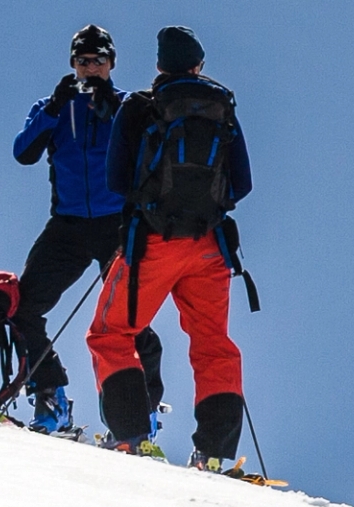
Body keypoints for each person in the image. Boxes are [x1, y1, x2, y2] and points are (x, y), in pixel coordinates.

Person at [88, 25, 252, 471]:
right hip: (210, 245)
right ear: (199, 64)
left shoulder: (140, 106)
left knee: (112, 332)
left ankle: (129, 436)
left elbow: (116, 179)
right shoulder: (223, 106)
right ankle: (215, 453)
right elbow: (243, 183)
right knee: (213, 343)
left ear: (159, 65)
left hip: (152, 242)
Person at [8, 24, 137, 435]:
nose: (91, 68)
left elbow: (148, 150)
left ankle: (137, 418)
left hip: (116, 223)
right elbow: (23, 153)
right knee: (23, 308)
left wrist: (113, 107)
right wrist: (54, 108)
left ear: (112, 63)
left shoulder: (128, 105)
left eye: (99, 61)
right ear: (73, 65)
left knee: (131, 319)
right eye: (83, 61)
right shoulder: (53, 105)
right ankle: (51, 397)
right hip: (67, 225)